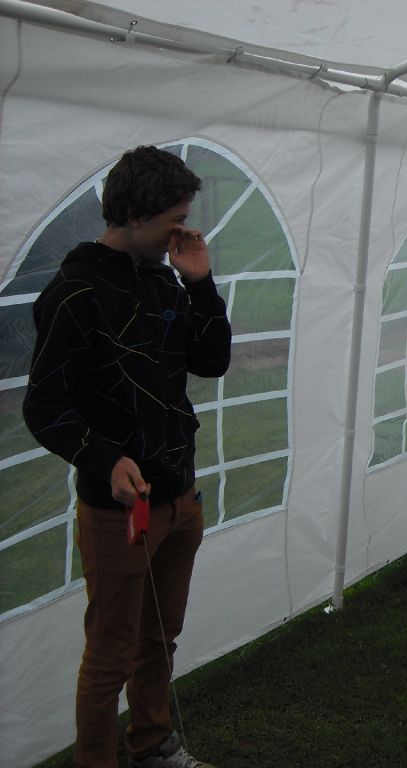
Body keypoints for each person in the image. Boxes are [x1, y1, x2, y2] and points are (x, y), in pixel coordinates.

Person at [23, 146, 231, 768]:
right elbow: (44, 405)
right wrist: (104, 459)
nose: (182, 231)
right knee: (110, 655)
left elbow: (211, 361)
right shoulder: (73, 293)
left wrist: (201, 283)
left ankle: (151, 746)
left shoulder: (163, 279)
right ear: (137, 215)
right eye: (175, 219)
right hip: (121, 511)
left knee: (159, 638)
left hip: (179, 497)